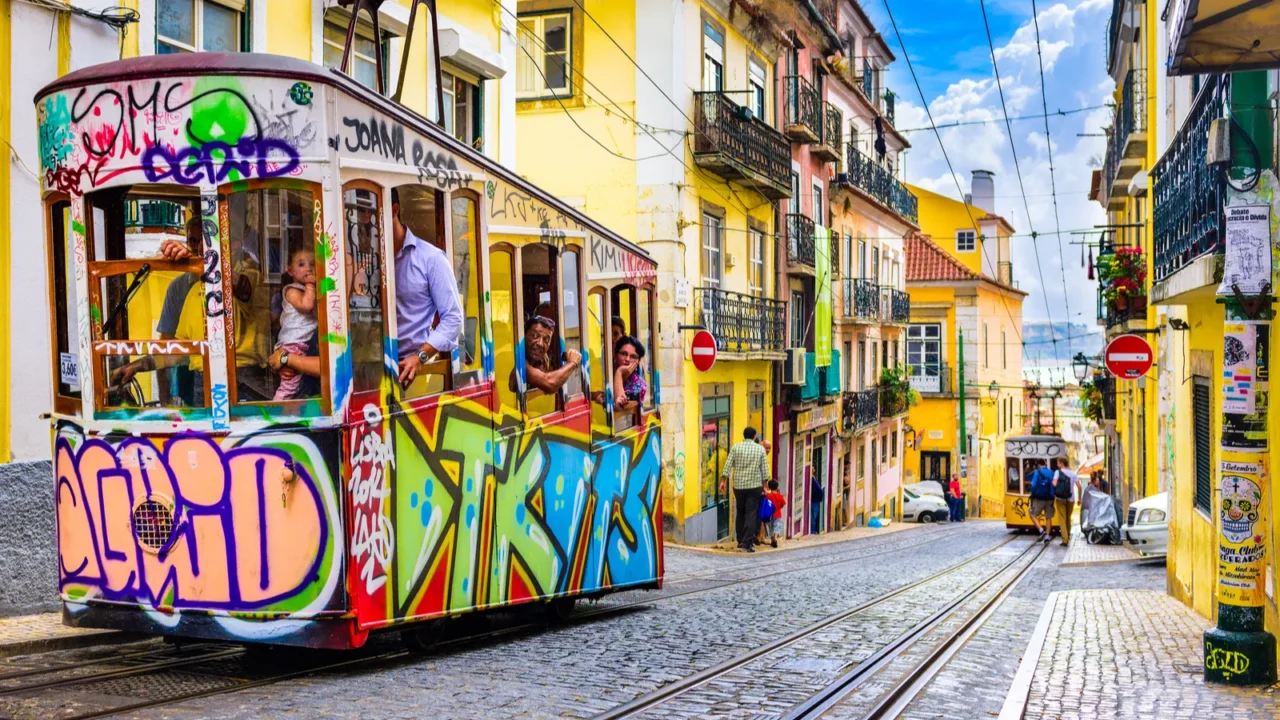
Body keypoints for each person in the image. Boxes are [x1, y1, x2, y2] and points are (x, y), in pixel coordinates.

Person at [390, 187, 464, 390]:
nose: (366, 219)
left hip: (413, 374)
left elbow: (453, 319)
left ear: (393, 209)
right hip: (370, 371)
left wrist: (420, 357)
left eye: (370, 212)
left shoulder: (431, 259)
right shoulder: (364, 255)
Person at [273, 249, 318, 400]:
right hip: (294, 344)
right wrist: (311, 284)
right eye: (301, 264)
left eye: (312, 264)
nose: (308, 268)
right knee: (289, 386)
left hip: (303, 343)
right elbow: (306, 306)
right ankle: (277, 411)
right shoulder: (292, 291)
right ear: (290, 271)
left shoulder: (307, 290)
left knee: (297, 384)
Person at [720, 427, 768, 552]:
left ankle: (740, 540)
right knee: (751, 513)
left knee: (740, 511)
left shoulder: (736, 448)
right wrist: (765, 485)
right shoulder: (760, 449)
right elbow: (764, 469)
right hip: (754, 486)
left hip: (739, 486)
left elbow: (728, 464)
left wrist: (723, 481)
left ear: (744, 435)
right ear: (754, 436)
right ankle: (747, 543)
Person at [510, 313, 582, 395]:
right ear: (524, 336)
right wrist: (573, 363)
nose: (540, 343)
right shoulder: (520, 362)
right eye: (534, 336)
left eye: (546, 340)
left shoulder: (543, 361)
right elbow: (550, 384)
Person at [612, 335, 646, 409]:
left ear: (638, 361)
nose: (627, 359)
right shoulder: (608, 374)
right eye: (623, 354)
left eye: (633, 356)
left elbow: (619, 406)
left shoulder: (638, 385)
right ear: (615, 355)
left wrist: (619, 372)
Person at [1052, 458, 1080, 547]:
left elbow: (1054, 484)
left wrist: (1053, 482)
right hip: (1071, 499)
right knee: (1068, 517)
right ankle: (1068, 536)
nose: (1057, 465)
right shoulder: (1073, 474)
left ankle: (1065, 539)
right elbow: (1079, 487)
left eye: (1058, 463)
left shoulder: (1057, 472)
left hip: (1060, 499)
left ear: (1061, 463)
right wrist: (1079, 498)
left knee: (1062, 518)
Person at [1027, 459, 1056, 542]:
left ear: (1039, 464)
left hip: (1039, 498)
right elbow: (1054, 485)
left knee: (1032, 514)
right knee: (1048, 517)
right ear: (1045, 464)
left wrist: (1032, 492)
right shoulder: (1052, 472)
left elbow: (1033, 485)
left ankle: (1041, 530)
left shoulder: (1037, 472)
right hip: (1050, 498)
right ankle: (1047, 536)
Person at [763, 479, 786, 548]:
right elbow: (783, 504)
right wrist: (779, 507)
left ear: (769, 487)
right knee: (777, 527)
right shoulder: (779, 496)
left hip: (769, 515)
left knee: (771, 528)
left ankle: (772, 538)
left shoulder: (768, 496)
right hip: (778, 514)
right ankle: (775, 538)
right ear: (777, 487)